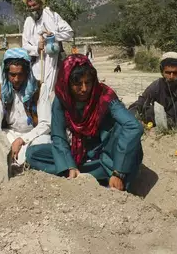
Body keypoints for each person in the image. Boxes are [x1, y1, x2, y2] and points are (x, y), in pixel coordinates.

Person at [26, 55, 143, 192]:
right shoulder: (62, 99)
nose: (84, 89)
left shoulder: (105, 96)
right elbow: (58, 136)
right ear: (67, 83)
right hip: (80, 154)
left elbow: (133, 126)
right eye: (78, 84)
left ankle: (115, 178)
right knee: (33, 154)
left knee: (130, 147)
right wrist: (70, 165)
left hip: (107, 155)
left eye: (88, 82)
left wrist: (119, 171)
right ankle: (80, 174)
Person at [0, 48, 51, 171]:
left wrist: (21, 140)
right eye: (12, 75)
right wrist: (5, 145)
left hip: (33, 135)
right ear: (6, 73)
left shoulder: (39, 89)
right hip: (10, 134)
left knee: (41, 145)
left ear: (27, 73)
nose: (16, 79)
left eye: (20, 74)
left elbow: (46, 124)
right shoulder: (0, 91)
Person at [128, 52, 177, 134]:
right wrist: (135, 120)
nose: (171, 76)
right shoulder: (157, 85)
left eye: (175, 73)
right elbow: (139, 103)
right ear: (162, 72)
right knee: (149, 110)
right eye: (167, 72)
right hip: (157, 122)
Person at [22, 0, 74, 94]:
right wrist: (37, 48)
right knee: (38, 94)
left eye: (34, 5)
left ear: (41, 4)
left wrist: (54, 36)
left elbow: (69, 32)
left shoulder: (53, 16)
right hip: (37, 63)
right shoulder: (28, 21)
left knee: (54, 93)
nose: (32, 8)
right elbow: (25, 46)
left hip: (54, 62)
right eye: (29, 7)